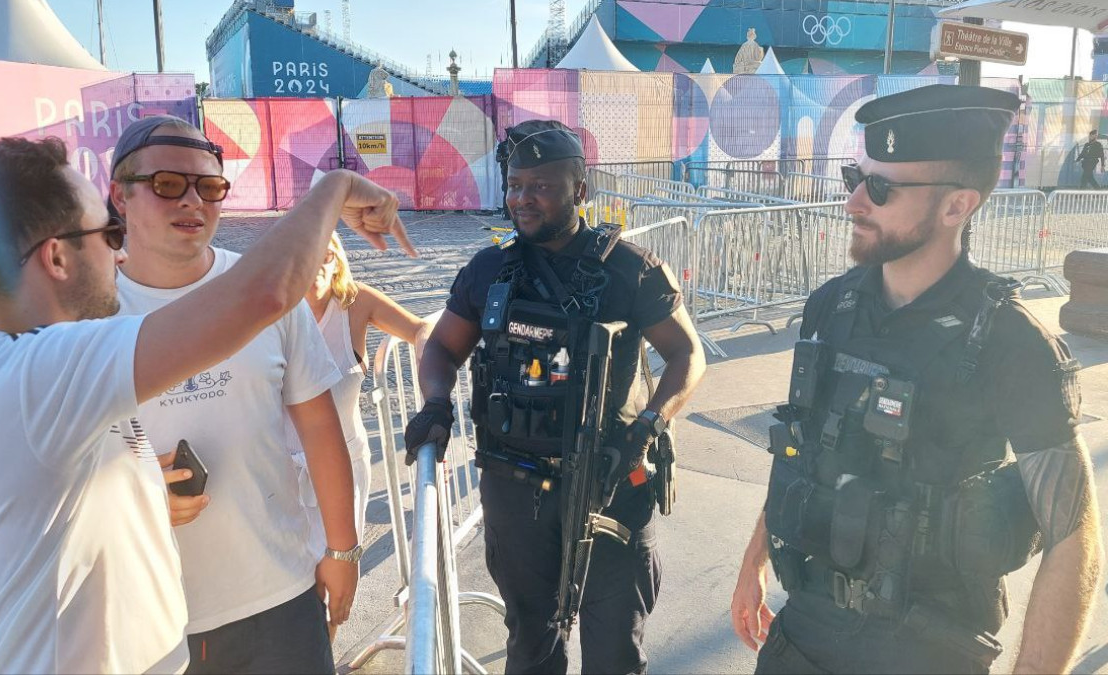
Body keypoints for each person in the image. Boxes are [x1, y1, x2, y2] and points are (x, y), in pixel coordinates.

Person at [0, 136, 412, 674]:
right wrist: (334, 186)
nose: (119, 249)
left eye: (209, 187)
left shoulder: (23, 370)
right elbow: (266, 293)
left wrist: (146, 493)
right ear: (58, 257)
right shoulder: (40, 373)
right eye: (109, 231)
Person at [730, 85, 1103, 674]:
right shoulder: (832, 306)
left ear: (958, 205)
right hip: (806, 626)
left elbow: (1073, 532)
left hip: (929, 647)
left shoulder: (1012, 342)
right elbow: (800, 444)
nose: (854, 201)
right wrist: (754, 562)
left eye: (881, 187)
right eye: (857, 175)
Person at [405, 120, 706, 674]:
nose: (523, 198)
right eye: (515, 185)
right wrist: (436, 405)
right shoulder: (489, 270)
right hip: (514, 489)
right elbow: (442, 349)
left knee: (615, 649)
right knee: (530, 644)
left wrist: (648, 427)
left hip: (610, 484)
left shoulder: (631, 270)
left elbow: (688, 355)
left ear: (580, 190)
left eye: (540, 186)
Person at [108, 115, 363, 674]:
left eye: (210, 186)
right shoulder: (88, 314)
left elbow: (320, 426)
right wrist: (132, 493)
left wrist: (342, 548)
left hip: (277, 597)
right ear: (119, 196)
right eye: (168, 184)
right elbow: (48, 467)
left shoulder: (263, 293)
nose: (191, 201)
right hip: (143, 612)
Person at [301, 233, 432, 543]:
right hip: (280, 470)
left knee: (340, 576)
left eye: (326, 255)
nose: (316, 265)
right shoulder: (269, 310)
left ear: (337, 261)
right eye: (305, 254)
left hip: (344, 467)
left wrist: (431, 383)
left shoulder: (355, 303)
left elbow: (420, 329)